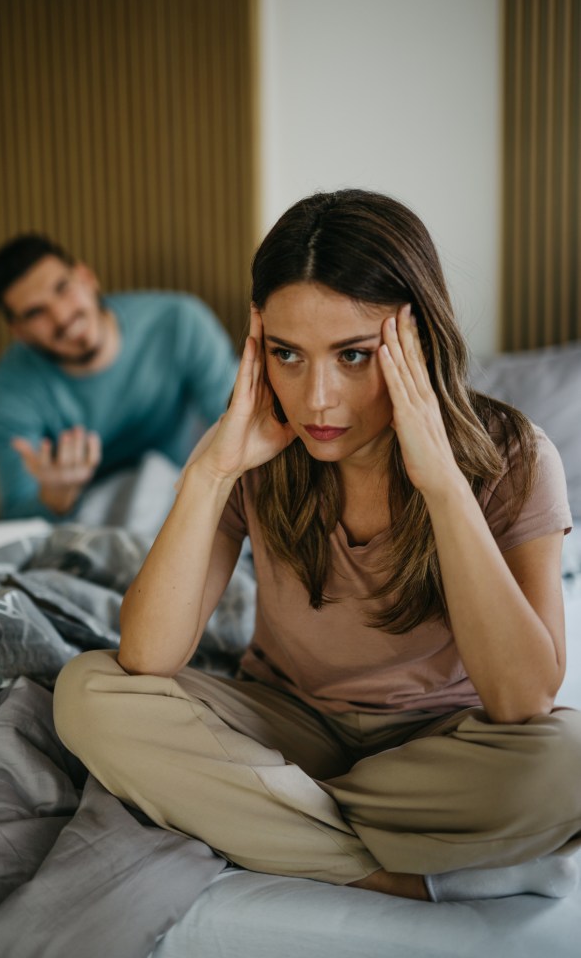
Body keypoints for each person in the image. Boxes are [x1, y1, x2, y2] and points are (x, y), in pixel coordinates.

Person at [53, 189, 581, 903]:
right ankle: (384, 869)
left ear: (416, 340)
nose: (317, 400)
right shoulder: (260, 448)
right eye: (287, 354)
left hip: (443, 739)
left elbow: (522, 701)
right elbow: (148, 657)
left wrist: (443, 487)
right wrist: (210, 472)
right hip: (286, 722)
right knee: (86, 692)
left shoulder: (515, 456)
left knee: (568, 764)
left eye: (354, 356)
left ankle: (266, 811)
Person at [0, 234, 238, 520]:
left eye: (62, 288)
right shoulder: (7, 393)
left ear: (86, 278)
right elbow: (17, 515)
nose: (62, 316)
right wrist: (54, 499)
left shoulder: (179, 322)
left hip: (183, 492)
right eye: (35, 312)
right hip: (91, 518)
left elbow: (238, 426)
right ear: (19, 332)